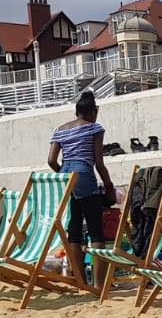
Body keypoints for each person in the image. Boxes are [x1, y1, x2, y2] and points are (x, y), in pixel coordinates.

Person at [47, 92, 116, 288]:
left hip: (66, 175)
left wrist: (66, 177)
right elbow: (99, 163)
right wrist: (109, 187)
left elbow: (51, 161)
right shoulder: (94, 128)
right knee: (96, 230)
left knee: (75, 228)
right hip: (84, 173)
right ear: (94, 111)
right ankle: (99, 284)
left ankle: (79, 281)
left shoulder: (60, 130)